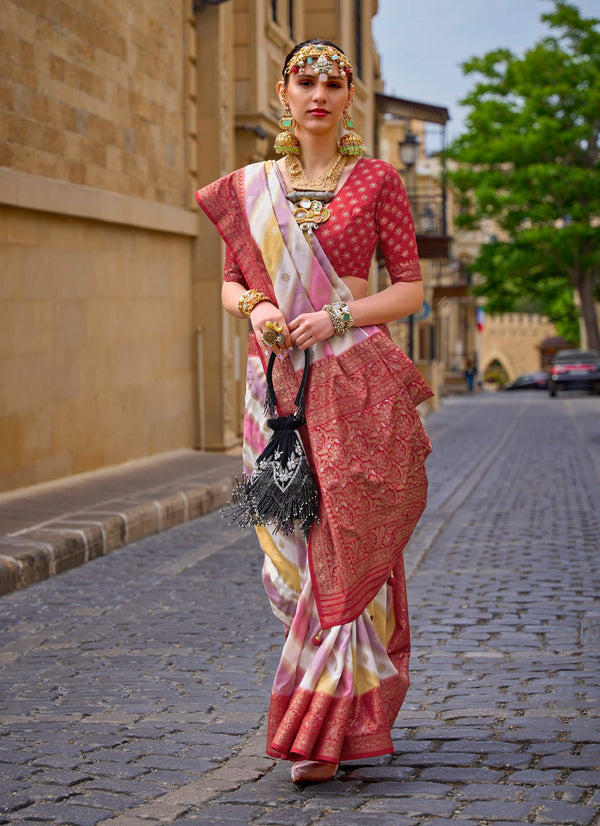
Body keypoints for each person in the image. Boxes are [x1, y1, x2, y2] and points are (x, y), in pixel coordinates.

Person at [195, 39, 433, 785]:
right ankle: (332, 705)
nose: (319, 94)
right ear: (283, 92)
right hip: (276, 390)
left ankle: (327, 732)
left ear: (350, 94)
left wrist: (338, 314)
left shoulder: (377, 182)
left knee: (351, 541)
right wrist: (260, 305)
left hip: (354, 380)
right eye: (307, 81)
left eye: (334, 82)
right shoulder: (251, 186)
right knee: (288, 554)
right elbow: (229, 286)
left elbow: (411, 289)